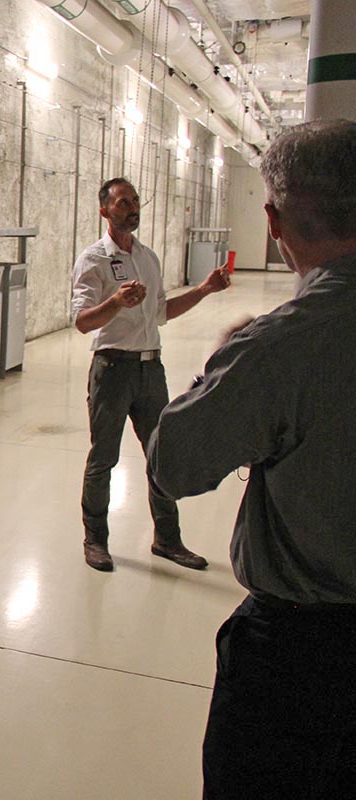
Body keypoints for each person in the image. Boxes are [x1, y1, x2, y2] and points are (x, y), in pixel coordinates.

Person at [147, 119, 356, 799]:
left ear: (273, 219)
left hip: (309, 659)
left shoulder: (286, 345)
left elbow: (175, 462)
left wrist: (229, 361)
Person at [71, 177, 230, 572]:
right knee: (103, 459)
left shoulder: (148, 257)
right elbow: (82, 322)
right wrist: (115, 302)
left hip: (150, 370)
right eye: (123, 203)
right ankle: (95, 540)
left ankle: (167, 540)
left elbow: (161, 313)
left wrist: (205, 289)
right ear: (105, 210)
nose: (132, 208)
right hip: (112, 371)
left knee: (160, 455)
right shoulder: (94, 259)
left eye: (136, 201)